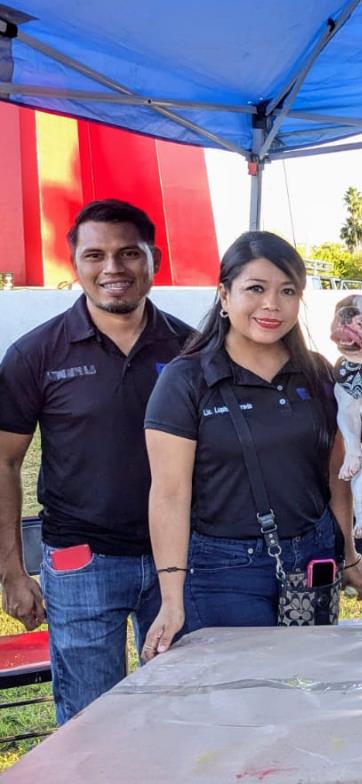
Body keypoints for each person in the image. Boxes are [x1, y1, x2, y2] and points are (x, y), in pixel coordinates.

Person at [0, 200, 193, 722]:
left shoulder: (189, 350)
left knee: (186, 711)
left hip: (180, 561)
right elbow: (4, 464)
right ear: (75, 264)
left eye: (129, 253)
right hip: (80, 562)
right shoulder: (36, 354)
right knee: (90, 720)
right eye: (96, 255)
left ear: (153, 257)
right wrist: (13, 572)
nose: (113, 268)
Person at [141, 232, 362, 659]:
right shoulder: (187, 379)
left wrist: (349, 552)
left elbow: (335, 475)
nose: (272, 305)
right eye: (256, 289)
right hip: (225, 567)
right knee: (241, 699)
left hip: (313, 557)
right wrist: (171, 599)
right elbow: (169, 494)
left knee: (310, 681)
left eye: (288, 291)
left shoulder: (317, 373)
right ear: (224, 295)